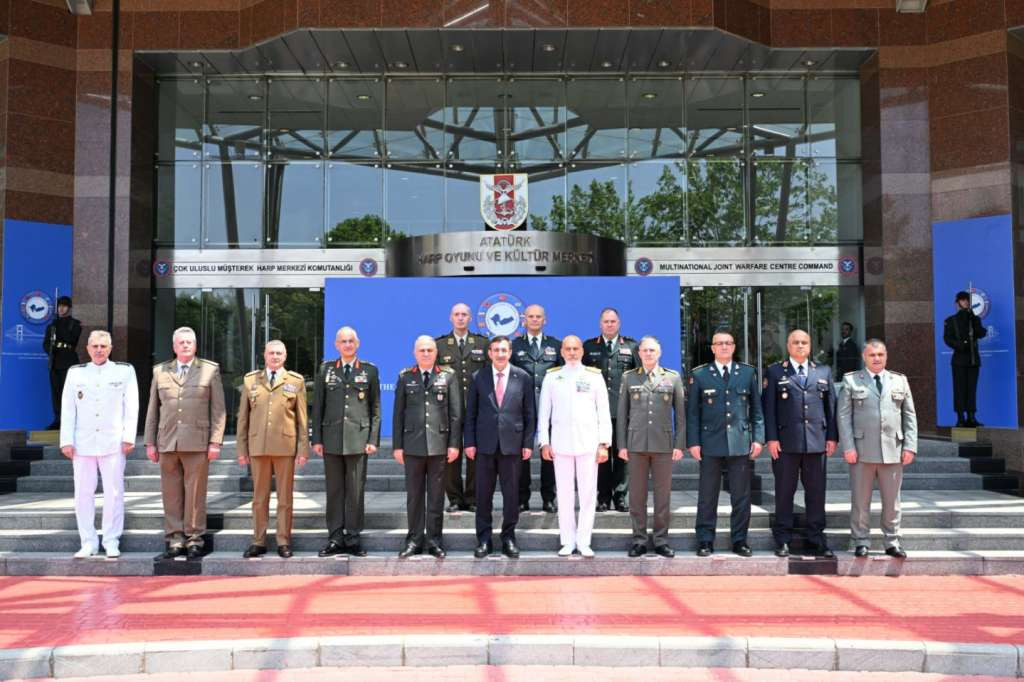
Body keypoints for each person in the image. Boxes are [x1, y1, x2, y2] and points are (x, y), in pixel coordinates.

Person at [143, 326, 226, 560]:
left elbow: (218, 410)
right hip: (167, 441)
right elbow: (152, 410)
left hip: (198, 442)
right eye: (181, 342)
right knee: (170, 494)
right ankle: (175, 539)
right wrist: (150, 442)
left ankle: (195, 538)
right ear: (174, 346)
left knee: (196, 493)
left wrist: (215, 441)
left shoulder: (210, 371)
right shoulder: (160, 371)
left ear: (195, 345)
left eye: (190, 342)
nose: (186, 345)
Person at [59, 330, 138, 559]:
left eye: (103, 346)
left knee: (114, 492)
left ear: (110, 348)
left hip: (113, 441)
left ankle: (111, 540)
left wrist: (128, 436)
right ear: (87, 349)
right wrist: (66, 440)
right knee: (83, 493)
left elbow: (131, 406)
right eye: (95, 346)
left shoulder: (124, 371)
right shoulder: (75, 374)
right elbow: (68, 408)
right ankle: (88, 542)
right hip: (82, 442)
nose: (99, 350)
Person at [686, 330, 765, 557]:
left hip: (740, 443)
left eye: (728, 343)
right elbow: (693, 414)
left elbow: (757, 411)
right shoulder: (700, 375)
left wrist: (758, 438)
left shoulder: (747, 373)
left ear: (734, 347)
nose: (723, 347)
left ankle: (740, 540)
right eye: (719, 343)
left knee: (741, 496)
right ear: (712, 348)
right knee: (707, 496)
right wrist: (693, 442)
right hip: (710, 443)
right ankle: (704, 540)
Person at [838, 339, 917, 558]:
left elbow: (909, 416)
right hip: (862, 451)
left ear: (886, 356)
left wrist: (910, 446)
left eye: (880, 355)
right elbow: (843, 417)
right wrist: (848, 447)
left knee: (892, 501)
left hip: (893, 450)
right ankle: (861, 540)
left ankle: (891, 541)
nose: (876, 358)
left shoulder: (899, 381)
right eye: (872, 355)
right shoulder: (852, 380)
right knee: (860, 500)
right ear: (864, 357)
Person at [763, 329, 838, 558]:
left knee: (816, 493)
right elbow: (769, 409)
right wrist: (771, 438)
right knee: (784, 493)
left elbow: (831, 408)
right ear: (788, 345)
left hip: (816, 444)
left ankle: (817, 538)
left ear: (810, 345)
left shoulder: (823, 371)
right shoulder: (775, 372)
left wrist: (832, 437)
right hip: (786, 444)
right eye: (795, 342)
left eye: (804, 342)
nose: (800, 346)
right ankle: (783, 539)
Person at [537, 335, 612, 557]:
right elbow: (544, 413)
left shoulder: (593, 376)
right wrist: (544, 442)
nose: (571, 352)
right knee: (565, 494)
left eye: (575, 349)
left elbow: (603, 411)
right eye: (567, 349)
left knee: (588, 495)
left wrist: (604, 443)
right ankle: (567, 541)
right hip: (560, 444)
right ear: (561, 352)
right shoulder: (552, 377)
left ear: (582, 351)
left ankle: (584, 541)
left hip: (588, 443)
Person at [311, 326, 381, 558]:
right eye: (343, 341)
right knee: (334, 491)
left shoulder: (369, 370)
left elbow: (375, 409)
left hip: (358, 441)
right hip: (331, 439)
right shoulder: (326, 369)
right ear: (336, 345)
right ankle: (334, 537)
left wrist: (372, 439)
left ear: (358, 344)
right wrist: (317, 439)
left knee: (355, 492)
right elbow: (318, 406)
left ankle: (352, 538)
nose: (348, 345)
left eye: (351, 341)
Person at [464, 336, 536, 559]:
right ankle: (484, 539)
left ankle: (508, 537)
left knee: (511, 496)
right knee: (483, 496)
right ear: (490, 353)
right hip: (484, 447)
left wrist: (527, 443)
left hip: (512, 447)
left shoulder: (523, 377)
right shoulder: (478, 377)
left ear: (510, 351)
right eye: (496, 350)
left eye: (504, 350)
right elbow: (471, 414)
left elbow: (529, 414)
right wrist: (470, 442)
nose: (500, 354)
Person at [236, 340, 309, 559]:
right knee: (259, 497)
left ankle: (283, 541)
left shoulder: (295, 381)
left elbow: (302, 419)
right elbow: (243, 418)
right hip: (258, 446)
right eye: (271, 353)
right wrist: (242, 448)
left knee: (285, 498)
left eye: (279, 353)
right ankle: (258, 541)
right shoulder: (251, 381)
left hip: (285, 446)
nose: (275, 357)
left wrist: (303, 448)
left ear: (285, 356)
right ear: (264, 355)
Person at [393, 335, 462, 559]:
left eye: (429, 350)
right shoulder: (405, 377)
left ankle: (434, 541)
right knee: (414, 497)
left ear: (436, 353)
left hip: (439, 446)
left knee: (435, 497)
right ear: (415, 353)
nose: (425, 354)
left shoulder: (448, 376)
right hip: (412, 446)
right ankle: (413, 540)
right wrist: (397, 446)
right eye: (421, 350)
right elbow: (398, 415)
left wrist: (454, 444)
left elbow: (455, 414)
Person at [617, 336, 685, 558]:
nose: (648, 354)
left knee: (662, 496)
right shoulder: (629, 378)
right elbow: (622, 414)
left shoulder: (673, 378)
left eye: (652, 350)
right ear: (639, 354)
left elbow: (681, 416)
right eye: (644, 350)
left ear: (659, 352)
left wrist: (679, 444)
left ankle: (661, 540)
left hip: (663, 446)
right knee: (636, 497)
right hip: (636, 445)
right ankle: (639, 540)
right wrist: (622, 445)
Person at [583, 307, 639, 512]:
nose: (609, 325)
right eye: (606, 321)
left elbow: (639, 378)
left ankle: (621, 496)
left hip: (624, 412)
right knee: (602, 457)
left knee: (622, 456)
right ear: (600, 324)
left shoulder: (632, 346)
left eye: (613, 321)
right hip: (596, 413)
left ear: (619, 323)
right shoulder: (589, 347)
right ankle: (603, 497)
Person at [509, 304, 562, 513]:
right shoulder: (515, 346)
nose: (534, 320)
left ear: (544, 320)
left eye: (538, 316)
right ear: (524, 320)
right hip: (522, 408)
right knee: (522, 455)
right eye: (530, 316)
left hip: (550, 408)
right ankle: (522, 498)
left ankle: (549, 497)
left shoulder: (556, 345)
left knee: (550, 454)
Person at [436, 303, 487, 512]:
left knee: (475, 454)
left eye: (464, 314)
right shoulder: (439, 345)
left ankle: (473, 498)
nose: (460, 318)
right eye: (456, 314)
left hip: (476, 409)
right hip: (448, 410)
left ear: (470, 318)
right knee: (451, 455)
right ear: (450, 318)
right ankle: (455, 499)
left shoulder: (483, 343)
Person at [943, 290, 987, 427]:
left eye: (967, 300)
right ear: (957, 303)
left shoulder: (974, 318)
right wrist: (962, 345)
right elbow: (947, 339)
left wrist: (973, 318)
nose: (966, 302)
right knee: (959, 388)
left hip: (973, 359)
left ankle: (972, 417)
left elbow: (980, 333)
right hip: (959, 360)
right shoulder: (951, 320)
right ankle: (960, 417)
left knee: (971, 389)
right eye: (962, 300)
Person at [43, 295, 82, 429]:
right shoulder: (52, 325)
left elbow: (71, 339)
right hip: (55, 361)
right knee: (56, 392)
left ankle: (69, 420)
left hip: (68, 361)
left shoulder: (74, 324)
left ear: (69, 308)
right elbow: (46, 344)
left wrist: (58, 325)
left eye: (64, 306)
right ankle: (58, 419)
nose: (61, 308)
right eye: (59, 306)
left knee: (68, 393)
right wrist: (51, 350)